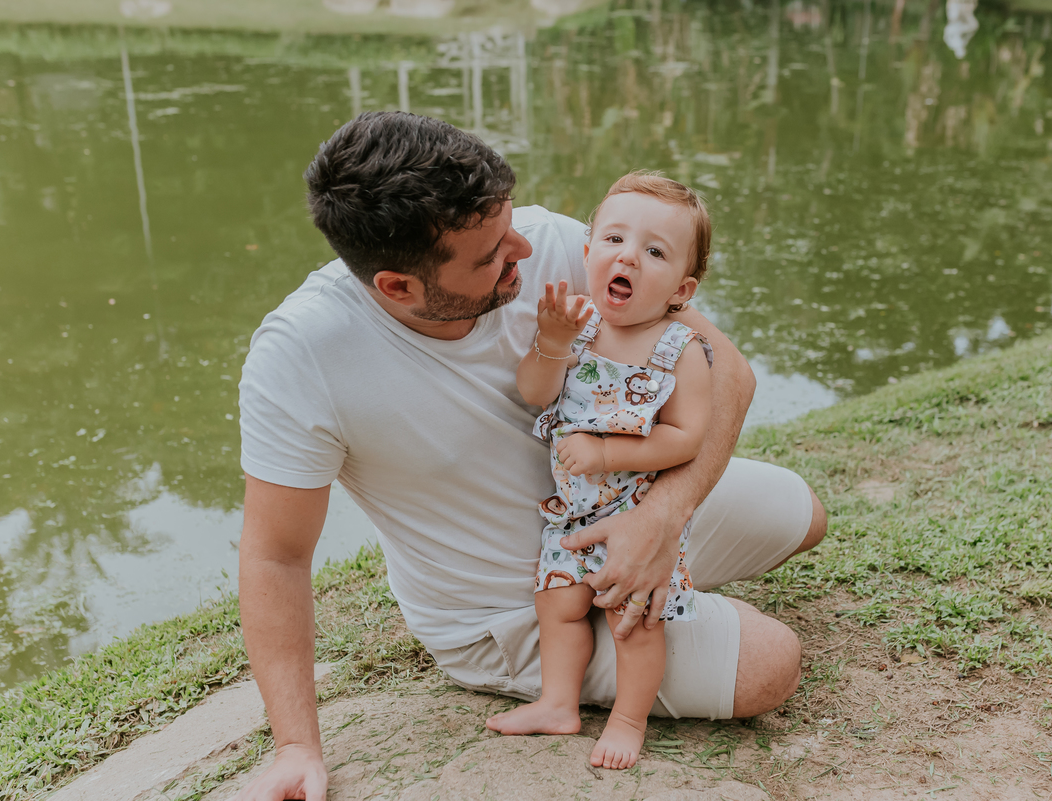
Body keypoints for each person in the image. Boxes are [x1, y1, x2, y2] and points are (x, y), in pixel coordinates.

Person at [234, 112, 827, 801]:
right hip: (504, 610)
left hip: (615, 505)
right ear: (398, 285)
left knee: (803, 510)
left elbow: (729, 374)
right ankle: (616, 643)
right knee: (771, 664)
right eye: (490, 255)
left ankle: (657, 592)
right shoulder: (300, 356)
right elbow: (275, 554)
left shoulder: (548, 242)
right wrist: (296, 746)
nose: (523, 247)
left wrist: (665, 514)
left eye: (509, 223)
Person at [487, 173, 716, 770]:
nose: (628, 257)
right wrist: (552, 341)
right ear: (588, 252)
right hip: (570, 514)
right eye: (614, 238)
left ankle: (627, 720)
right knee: (557, 605)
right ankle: (557, 702)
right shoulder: (578, 329)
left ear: (681, 289)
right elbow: (537, 393)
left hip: (635, 511)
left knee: (633, 622)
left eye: (655, 251)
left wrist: (608, 454)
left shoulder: (678, 349)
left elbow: (686, 437)